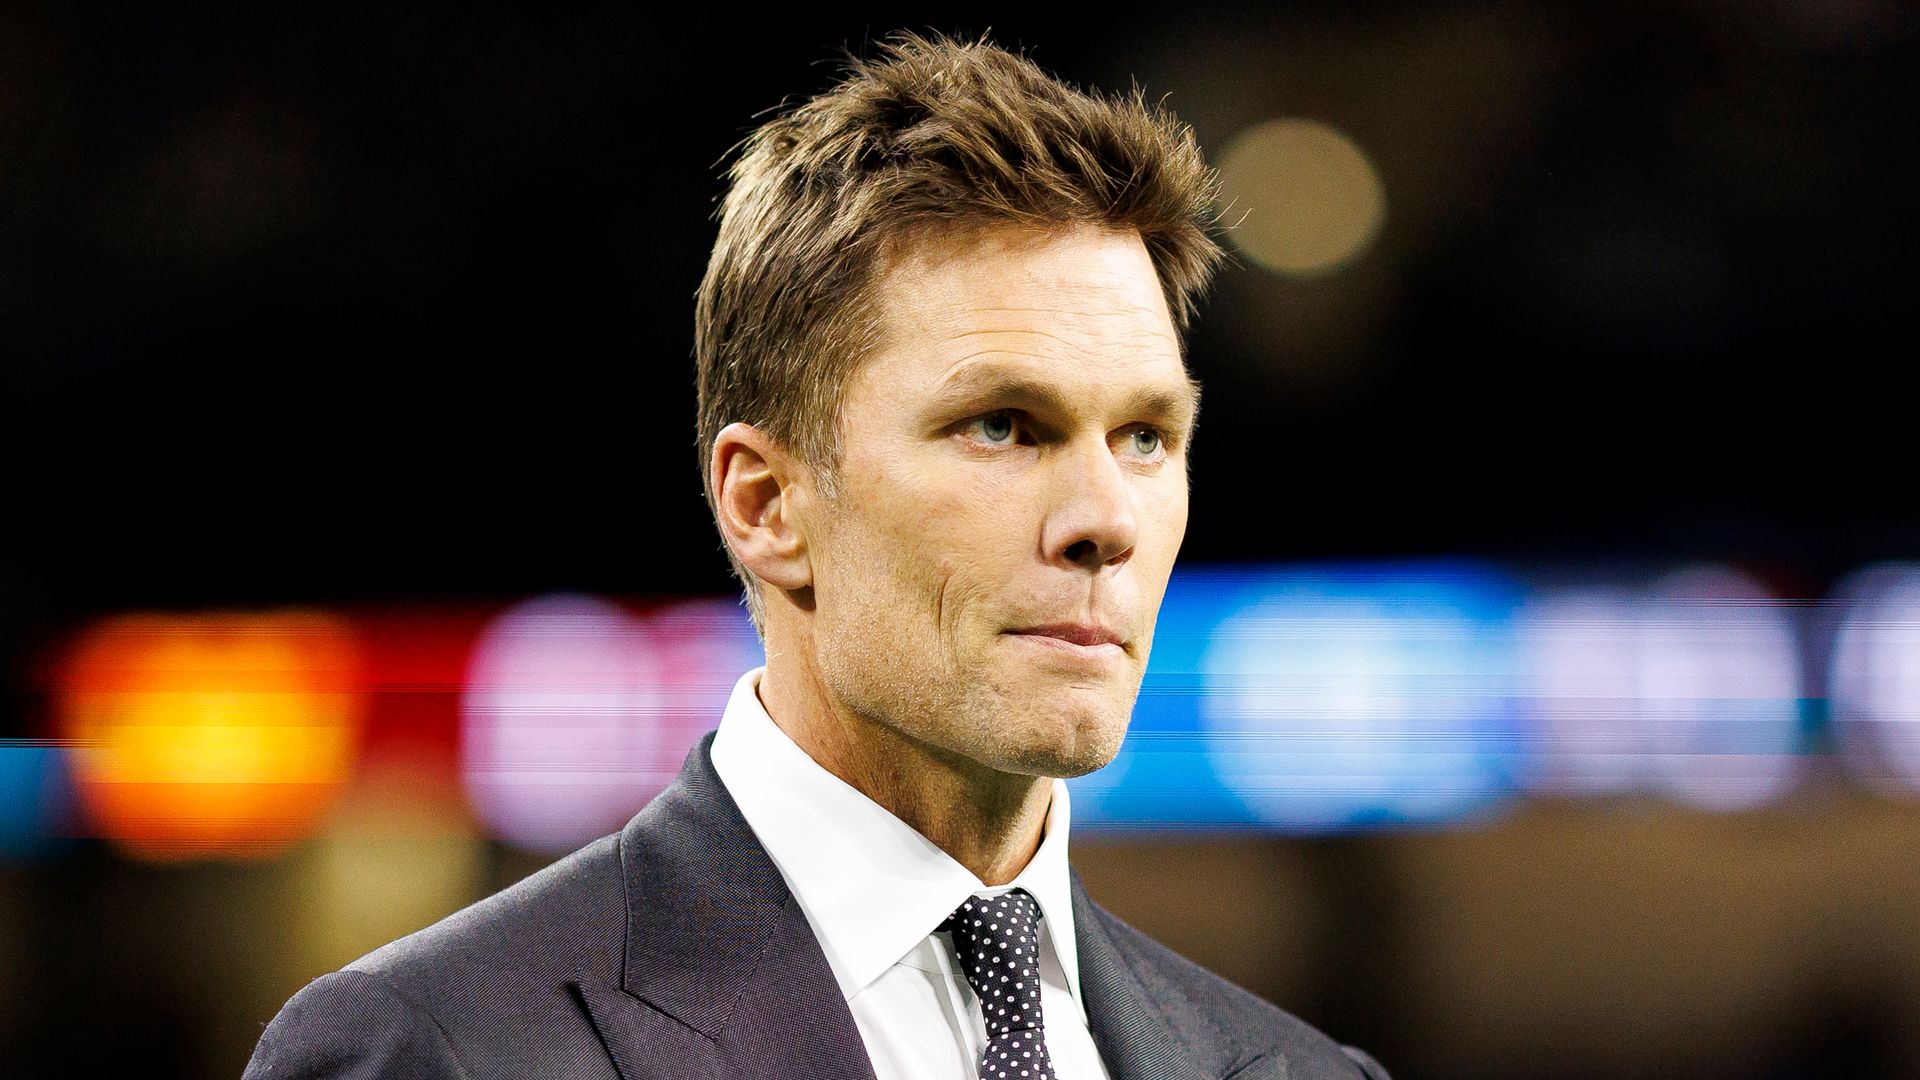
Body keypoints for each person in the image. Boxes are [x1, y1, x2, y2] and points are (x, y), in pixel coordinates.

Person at [245, 33, 1389, 1080]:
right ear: (768, 505)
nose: (1106, 518)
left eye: (1145, 437)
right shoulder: (436, 1051)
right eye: (1002, 423)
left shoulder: (1308, 1074)